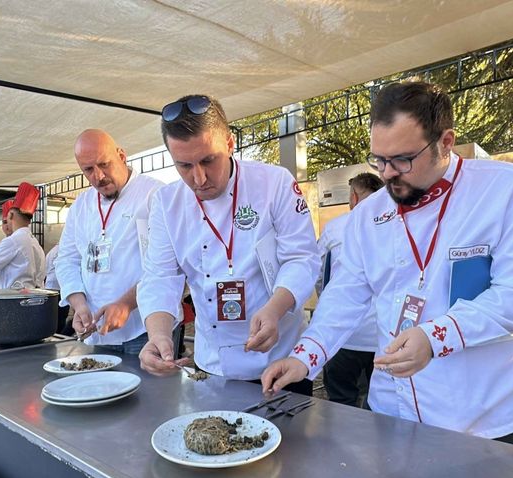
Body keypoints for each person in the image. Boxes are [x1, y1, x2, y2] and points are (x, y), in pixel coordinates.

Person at [262, 82, 513, 445]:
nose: (387, 173)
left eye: (402, 159)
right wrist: (305, 356)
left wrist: (436, 337)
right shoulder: (368, 215)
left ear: (445, 142)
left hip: (482, 417)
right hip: (393, 410)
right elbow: (345, 296)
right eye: (378, 160)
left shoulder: (510, 190)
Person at [138, 95, 320, 393]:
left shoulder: (274, 183)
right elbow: (160, 276)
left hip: (279, 361)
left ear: (230, 143)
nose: (199, 178)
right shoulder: (165, 202)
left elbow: (301, 259)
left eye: (208, 160)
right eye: (184, 165)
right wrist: (157, 335)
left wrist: (274, 310)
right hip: (212, 365)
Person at [55, 129, 164, 352]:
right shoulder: (81, 206)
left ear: (121, 156)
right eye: (88, 170)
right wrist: (79, 305)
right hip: (96, 328)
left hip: (145, 329)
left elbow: (164, 265)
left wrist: (126, 304)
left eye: (104, 164)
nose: (98, 176)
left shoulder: (154, 194)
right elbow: (66, 259)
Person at [317, 172, 383, 407]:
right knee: (379, 404)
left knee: (340, 402)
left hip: (343, 335)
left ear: (354, 197)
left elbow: (318, 275)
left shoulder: (335, 228)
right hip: (384, 337)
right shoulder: (398, 226)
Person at [0, 183, 46, 290]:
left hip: (12, 298)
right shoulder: (34, 242)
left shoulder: (13, 241)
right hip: (32, 296)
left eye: (6, 221)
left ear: (10, 215)